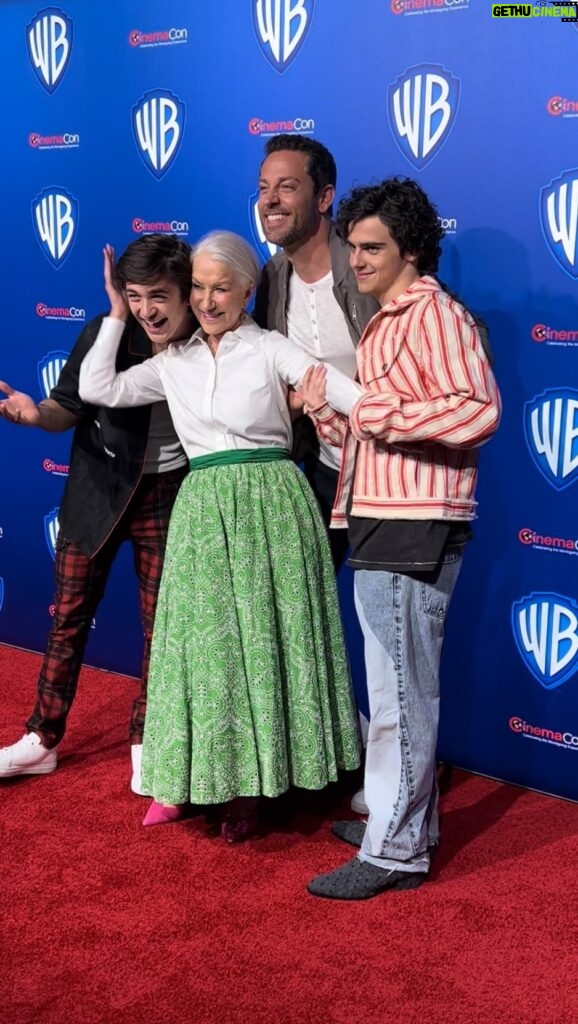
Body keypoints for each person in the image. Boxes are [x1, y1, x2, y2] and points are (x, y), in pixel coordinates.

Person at [77, 230, 362, 842]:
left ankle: (257, 786)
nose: (207, 301)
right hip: (204, 511)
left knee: (263, 645)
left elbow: (355, 399)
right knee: (203, 653)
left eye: (221, 288)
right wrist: (116, 314)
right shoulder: (170, 363)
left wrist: (322, 409)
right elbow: (98, 389)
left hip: (273, 507)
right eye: (198, 288)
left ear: (247, 291)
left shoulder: (271, 349)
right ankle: (193, 779)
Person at [299, 178, 501, 900]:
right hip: (382, 518)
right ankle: (397, 819)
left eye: (373, 246)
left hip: (418, 525)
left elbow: (477, 413)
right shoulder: (389, 319)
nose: (357, 258)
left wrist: (363, 404)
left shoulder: (434, 314)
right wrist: (330, 414)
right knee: (389, 690)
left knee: (400, 696)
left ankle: (398, 850)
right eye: (351, 246)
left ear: (412, 248)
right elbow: (378, 431)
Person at [0, 234, 196, 793]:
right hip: (97, 491)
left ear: (186, 292)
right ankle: (41, 740)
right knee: (67, 617)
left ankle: (146, 739)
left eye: (157, 295)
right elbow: (69, 405)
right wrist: (35, 416)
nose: (145, 309)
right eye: (133, 295)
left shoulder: (211, 340)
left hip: (171, 494)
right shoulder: (106, 331)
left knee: (163, 629)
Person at [254, 134, 379, 816]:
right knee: (302, 613)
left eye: (287, 187)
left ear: (324, 197)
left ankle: (397, 773)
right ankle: (343, 748)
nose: (270, 200)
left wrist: (331, 389)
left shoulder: (360, 265)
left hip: (383, 475)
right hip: (316, 471)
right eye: (265, 187)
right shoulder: (270, 277)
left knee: (385, 628)